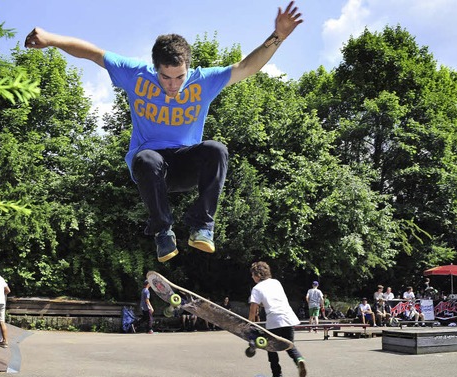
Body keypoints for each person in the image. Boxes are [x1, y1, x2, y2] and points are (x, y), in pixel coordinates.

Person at [24, 3, 303, 263]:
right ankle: (163, 232)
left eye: (179, 77)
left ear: (188, 68)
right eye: (165, 77)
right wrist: (51, 39)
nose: (173, 85)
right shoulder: (136, 74)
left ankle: (202, 227)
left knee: (216, 150)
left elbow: (246, 67)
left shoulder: (203, 81)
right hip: (151, 168)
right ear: (155, 67)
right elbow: (93, 53)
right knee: (147, 158)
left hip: (186, 165)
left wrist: (277, 36)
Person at [248, 261, 306, 377]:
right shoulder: (276, 282)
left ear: (258, 275)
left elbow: (253, 309)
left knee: (271, 349)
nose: (252, 277)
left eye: (253, 275)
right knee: (289, 345)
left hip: (274, 320)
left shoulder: (257, 288)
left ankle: (277, 375)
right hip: (288, 317)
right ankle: (299, 360)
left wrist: (249, 323)